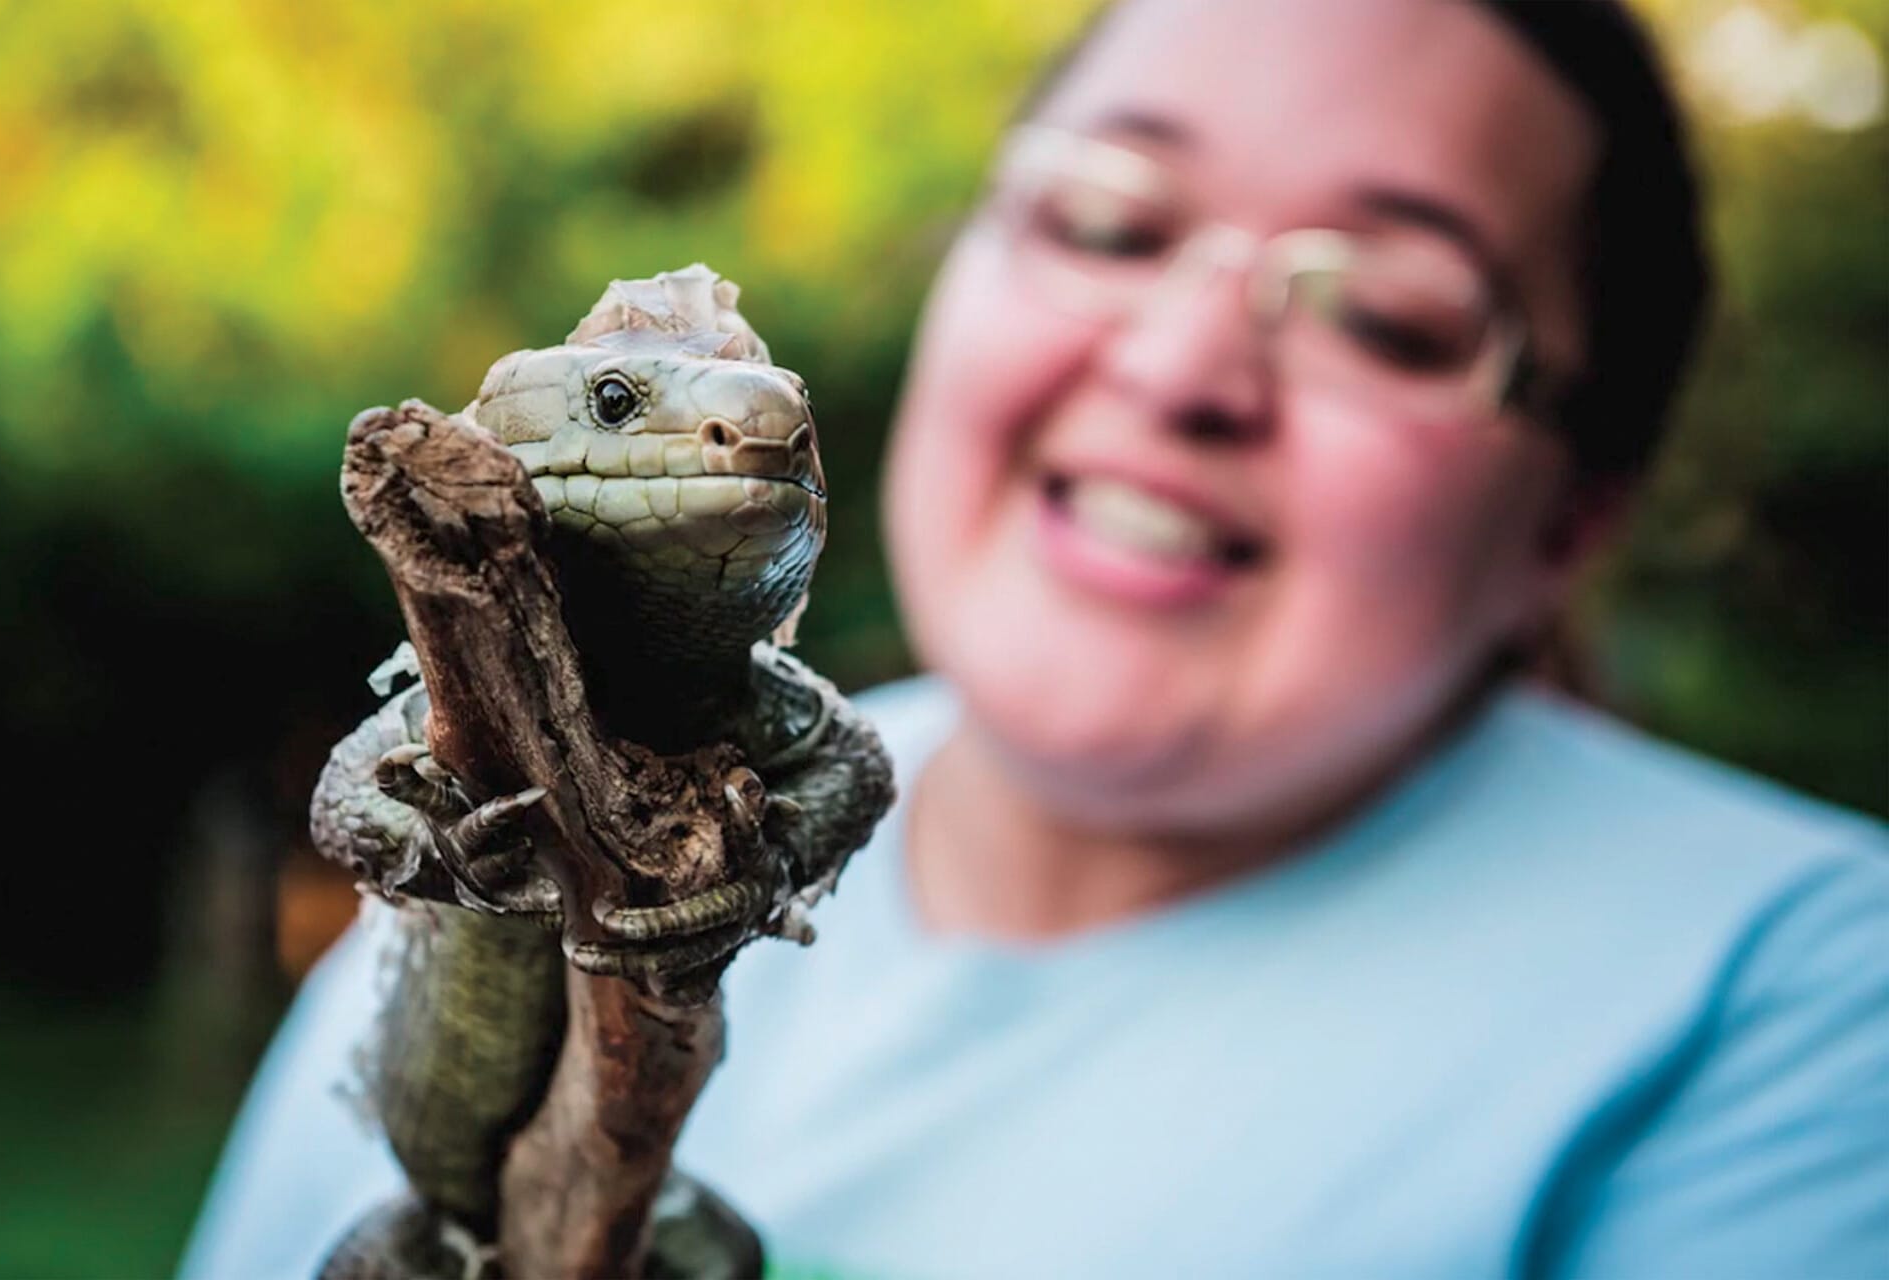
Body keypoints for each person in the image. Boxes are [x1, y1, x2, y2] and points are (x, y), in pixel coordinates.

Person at [182, 1, 1889, 1276]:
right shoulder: (465, 856)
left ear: (1576, 511)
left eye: (1387, 311)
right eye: (1109, 219)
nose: (1178, 366)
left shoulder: (1813, 1009)